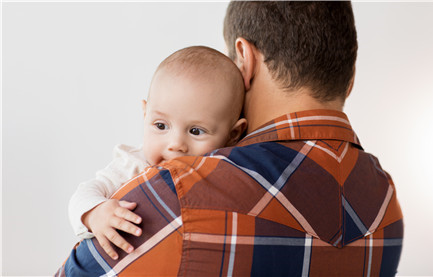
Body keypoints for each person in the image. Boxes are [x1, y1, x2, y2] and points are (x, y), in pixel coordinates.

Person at [56, 2, 404, 276]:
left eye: (194, 130)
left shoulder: (178, 195)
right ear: (350, 79)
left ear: (244, 59)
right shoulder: (386, 204)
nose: (176, 145)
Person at [68, 45, 247, 260]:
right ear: (145, 115)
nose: (175, 144)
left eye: (196, 131)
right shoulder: (133, 164)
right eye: (161, 126)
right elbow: (84, 193)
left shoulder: (225, 174)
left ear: (233, 135)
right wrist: (95, 213)